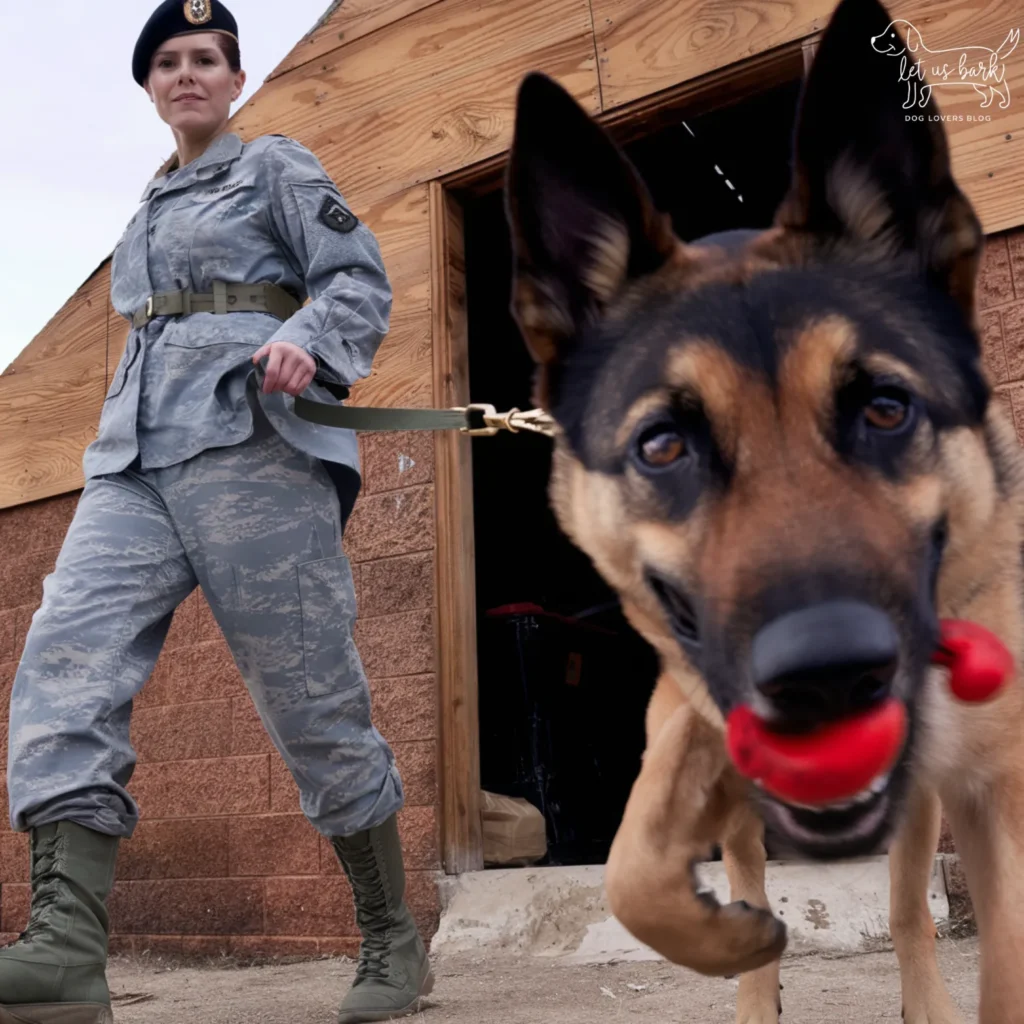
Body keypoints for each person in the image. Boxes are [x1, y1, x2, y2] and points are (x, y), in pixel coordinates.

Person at [0, 2, 434, 1022]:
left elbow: (356, 279)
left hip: (255, 447)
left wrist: (310, 342)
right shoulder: (142, 210)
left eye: (206, 58)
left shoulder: (274, 166)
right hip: (132, 464)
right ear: (149, 87)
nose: (187, 73)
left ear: (234, 80)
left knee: (312, 701)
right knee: (62, 664)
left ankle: (391, 939)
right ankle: (64, 948)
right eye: (168, 61)